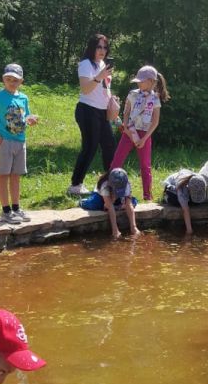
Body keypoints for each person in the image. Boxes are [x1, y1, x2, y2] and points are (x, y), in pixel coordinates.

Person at [0, 63, 38, 225]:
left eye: (15, 80)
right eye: (9, 79)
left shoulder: (23, 98)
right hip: (4, 142)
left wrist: (31, 119)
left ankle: (16, 208)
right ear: (3, 79)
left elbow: (25, 116)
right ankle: (6, 211)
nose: (12, 82)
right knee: (3, 175)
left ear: (21, 81)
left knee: (16, 176)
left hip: (20, 141)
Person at [109, 66, 169, 201]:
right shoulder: (132, 94)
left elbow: (155, 121)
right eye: (138, 81)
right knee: (116, 161)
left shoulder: (155, 99)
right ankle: (109, 191)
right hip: (129, 132)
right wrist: (126, 129)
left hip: (144, 135)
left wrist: (145, 138)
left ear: (151, 81)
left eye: (141, 81)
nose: (138, 83)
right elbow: (126, 113)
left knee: (145, 166)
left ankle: (147, 196)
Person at [67, 33, 115, 197]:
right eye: (99, 47)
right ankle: (75, 185)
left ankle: (108, 183)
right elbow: (85, 89)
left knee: (109, 145)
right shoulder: (85, 64)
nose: (102, 50)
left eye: (105, 47)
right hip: (87, 110)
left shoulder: (103, 64)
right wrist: (99, 76)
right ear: (92, 47)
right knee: (90, 147)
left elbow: (104, 89)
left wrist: (112, 103)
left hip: (102, 112)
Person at [162, 169, 208, 236]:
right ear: (189, 189)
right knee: (175, 201)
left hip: (187, 190)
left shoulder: (202, 180)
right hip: (172, 191)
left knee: (197, 202)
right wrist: (189, 231)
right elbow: (185, 210)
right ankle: (167, 198)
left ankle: (189, 199)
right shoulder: (182, 188)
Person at [95, 168, 139, 239]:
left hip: (118, 197)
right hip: (104, 197)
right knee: (96, 204)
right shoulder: (105, 186)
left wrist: (134, 227)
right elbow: (110, 207)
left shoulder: (126, 184)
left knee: (133, 201)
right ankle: (119, 206)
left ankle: (119, 206)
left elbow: (129, 204)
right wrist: (115, 230)